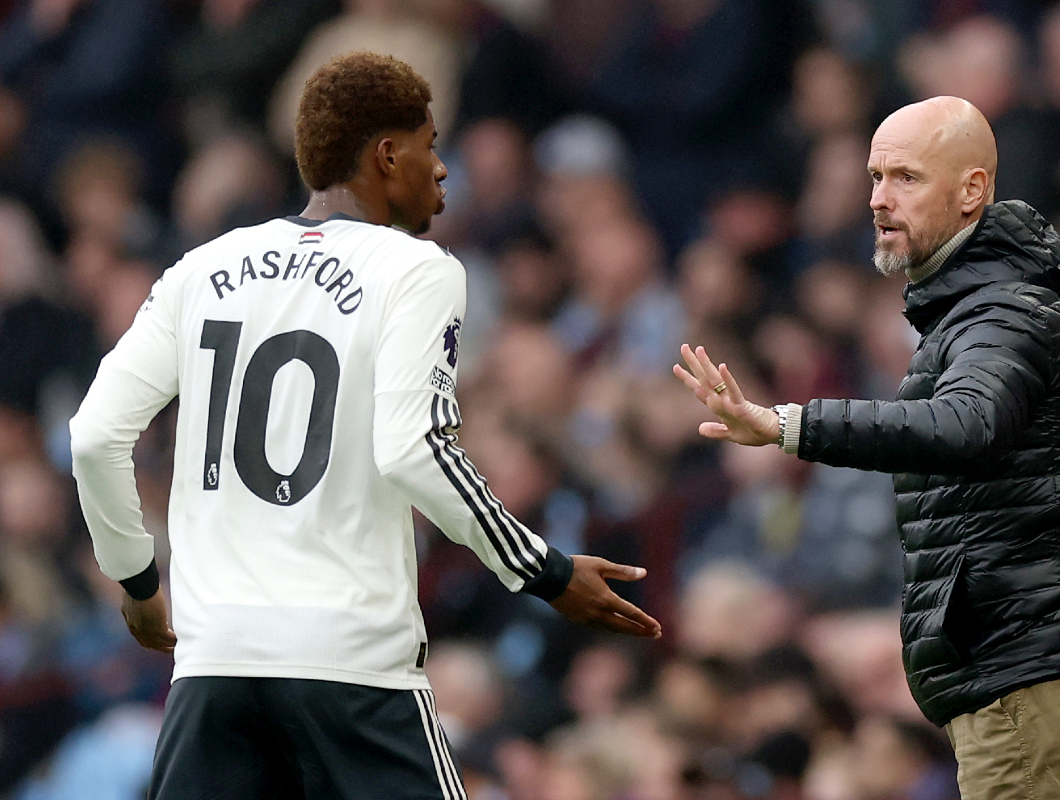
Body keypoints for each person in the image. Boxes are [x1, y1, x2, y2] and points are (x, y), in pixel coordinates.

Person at [70, 52, 661, 800]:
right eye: (431, 144)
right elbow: (416, 449)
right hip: (349, 667)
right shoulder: (418, 269)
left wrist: (136, 579)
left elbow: (94, 435)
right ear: (387, 155)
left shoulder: (200, 269)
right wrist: (542, 570)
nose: (443, 170)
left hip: (214, 666)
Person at [674, 96, 1060, 800]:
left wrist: (789, 426)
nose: (880, 200)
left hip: (1027, 672)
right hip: (1014, 670)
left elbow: (968, 425)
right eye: (875, 177)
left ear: (973, 190)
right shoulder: (971, 311)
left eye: (907, 178)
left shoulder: (1001, 311)